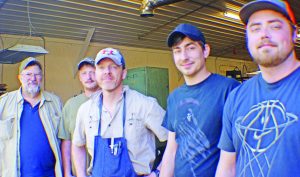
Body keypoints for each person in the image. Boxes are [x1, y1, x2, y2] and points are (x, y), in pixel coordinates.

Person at [216, 0, 300, 177]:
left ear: (294, 33)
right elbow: (227, 167)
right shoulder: (236, 97)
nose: (264, 34)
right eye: (255, 28)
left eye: (275, 26)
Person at [159, 23, 240, 177]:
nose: (184, 57)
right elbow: (171, 150)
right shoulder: (174, 97)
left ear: (205, 51)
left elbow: (239, 149)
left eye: (191, 48)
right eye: (177, 51)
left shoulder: (229, 89)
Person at [72, 47, 168, 177]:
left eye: (113, 67)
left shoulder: (145, 105)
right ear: (96, 73)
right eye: (101, 67)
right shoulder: (85, 110)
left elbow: (177, 140)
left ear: (123, 73)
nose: (107, 71)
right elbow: (78, 145)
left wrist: (157, 173)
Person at [0, 57, 63, 177]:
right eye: (28, 74)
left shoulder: (55, 102)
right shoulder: (4, 103)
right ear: (20, 77)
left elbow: (65, 140)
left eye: (37, 74)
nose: (33, 79)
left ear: (42, 78)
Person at [59, 57, 100, 177]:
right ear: (79, 77)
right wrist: (67, 173)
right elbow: (66, 141)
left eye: (92, 72)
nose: (89, 77)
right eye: (84, 73)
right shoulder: (71, 105)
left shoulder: (110, 101)